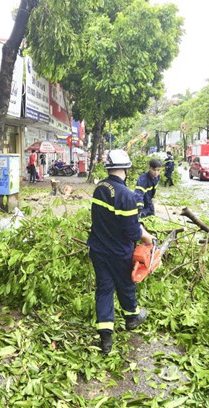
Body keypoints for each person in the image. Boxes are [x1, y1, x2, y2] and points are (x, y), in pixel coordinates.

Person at [87, 149, 155, 355]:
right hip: (118, 252)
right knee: (125, 284)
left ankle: (106, 336)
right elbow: (131, 230)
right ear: (126, 168)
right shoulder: (126, 195)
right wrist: (145, 236)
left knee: (104, 289)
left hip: (98, 249)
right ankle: (132, 318)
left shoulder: (100, 187)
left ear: (109, 167)